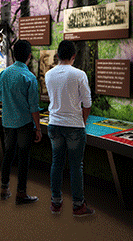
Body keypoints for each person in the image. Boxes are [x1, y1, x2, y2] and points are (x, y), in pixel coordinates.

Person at [44, 40, 94, 216]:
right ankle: (78, 205)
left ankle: (55, 203)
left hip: (54, 124)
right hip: (74, 126)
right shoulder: (79, 74)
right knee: (75, 166)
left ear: (57, 55)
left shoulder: (49, 74)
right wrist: (83, 120)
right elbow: (87, 104)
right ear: (73, 56)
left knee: (56, 163)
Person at [0, 39, 41, 204]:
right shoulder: (29, 77)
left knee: (8, 155)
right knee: (23, 157)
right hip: (24, 124)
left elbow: (2, 97)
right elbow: (34, 107)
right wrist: (38, 128)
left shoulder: (4, 73)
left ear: (13, 55)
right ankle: (21, 193)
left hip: (8, 122)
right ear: (29, 56)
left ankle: (4, 188)